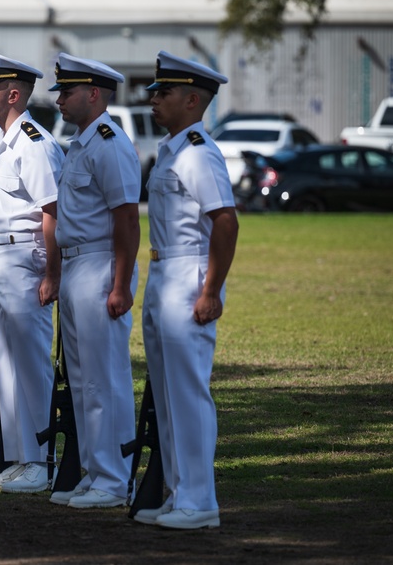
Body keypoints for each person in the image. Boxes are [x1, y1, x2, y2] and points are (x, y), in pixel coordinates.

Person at [134, 51, 238, 530]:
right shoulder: (174, 149)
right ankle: (178, 495)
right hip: (163, 273)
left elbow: (225, 221)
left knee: (188, 393)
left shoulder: (198, 152)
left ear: (193, 100)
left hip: (188, 275)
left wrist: (211, 289)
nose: (155, 100)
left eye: (165, 93)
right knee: (168, 394)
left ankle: (200, 501)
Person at [47, 53, 141, 510]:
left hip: (101, 265)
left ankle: (114, 478)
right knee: (82, 380)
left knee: (105, 379)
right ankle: (93, 470)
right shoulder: (81, 143)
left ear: (94, 94)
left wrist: (121, 284)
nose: (60, 100)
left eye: (67, 91)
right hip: (76, 266)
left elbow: (126, 218)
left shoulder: (109, 143)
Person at [0, 50, 63, 492]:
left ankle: (41, 460)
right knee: (5, 363)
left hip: (28, 259)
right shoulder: (1, 140)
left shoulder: (34, 142)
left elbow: (53, 212)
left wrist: (52, 273)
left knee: (29, 363)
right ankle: (18, 454)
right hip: (4, 260)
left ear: (12, 94)